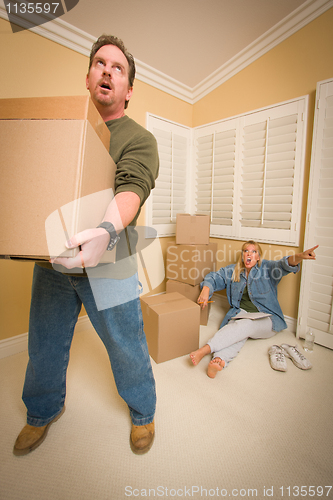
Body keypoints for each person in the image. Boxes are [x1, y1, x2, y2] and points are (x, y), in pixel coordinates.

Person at [13, 35, 159, 456]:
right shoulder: (61, 130)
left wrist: (106, 231)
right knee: (44, 342)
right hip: (54, 261)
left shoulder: (138, 138)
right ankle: (41, 413)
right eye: (100, 63)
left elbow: (132, 186)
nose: (107, 71)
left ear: (128, 90)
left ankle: (142, 412)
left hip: (110, 260)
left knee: (125, 342)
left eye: (118, 67)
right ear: (89, 76)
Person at [190, 240, 318, 378]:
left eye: (253, 251)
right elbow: (214, 278)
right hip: (241, 314)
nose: (249, 254)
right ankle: (220, 359)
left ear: (258, 257)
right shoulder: (232, 271)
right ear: (242, 255)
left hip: (267, 318)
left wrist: (300, 256)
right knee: (238, 328)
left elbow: (284, 265)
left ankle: (204, 350)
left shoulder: (267, 268)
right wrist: (206, 289)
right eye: (246, 251)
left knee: (245, 325)